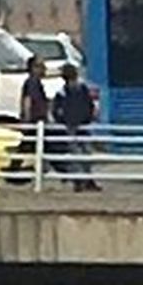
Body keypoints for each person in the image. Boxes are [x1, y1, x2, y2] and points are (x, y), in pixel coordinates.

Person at [52, 62, 98, 191]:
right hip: (78, 126)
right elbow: (90, 106)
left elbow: (56, 111)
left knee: (79, 155)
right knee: (82, 154)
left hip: (74, 126)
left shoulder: (65, 92)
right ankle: (83, 180)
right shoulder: (80, 89)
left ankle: (83, 180)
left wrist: (62, 120)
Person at [7, 54, 49, 184]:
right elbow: (28, 101)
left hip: (36, 121)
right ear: (33, 68)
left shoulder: (34, 82)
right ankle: (14, 171)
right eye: (40, 66)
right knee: (30, 147)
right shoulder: (32, 82)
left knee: (28, 147)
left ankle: (15, 171)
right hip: (34, 121)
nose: (44, 69)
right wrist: (27, 119)